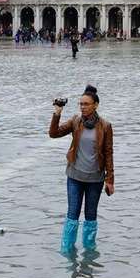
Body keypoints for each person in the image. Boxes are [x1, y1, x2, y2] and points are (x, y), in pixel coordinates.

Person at [49, 85, 114, 253]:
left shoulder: (105, 126)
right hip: (75, 176)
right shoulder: (75, 121)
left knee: (91, 216)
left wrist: (110, 180)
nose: (83, 107)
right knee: (72, 214)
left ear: (95, 105)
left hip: (95, 179)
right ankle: (67, 250)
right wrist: (57, 113)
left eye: (86, 104)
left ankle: (89, 252)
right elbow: (53, 133)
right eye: (81, 104)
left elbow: (108, 153)